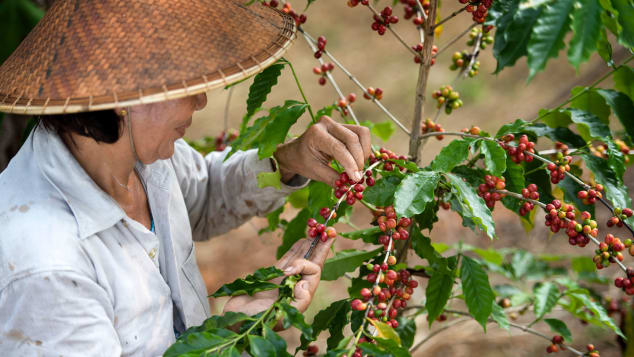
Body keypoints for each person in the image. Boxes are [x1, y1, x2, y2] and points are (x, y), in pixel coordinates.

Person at [0, 1, 370, 355]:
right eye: (183, 84)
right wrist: (226, 337)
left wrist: (288, 161)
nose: (200, 102)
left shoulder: (135, 153)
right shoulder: (46, 271)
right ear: (121, 95)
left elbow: (203, 191)